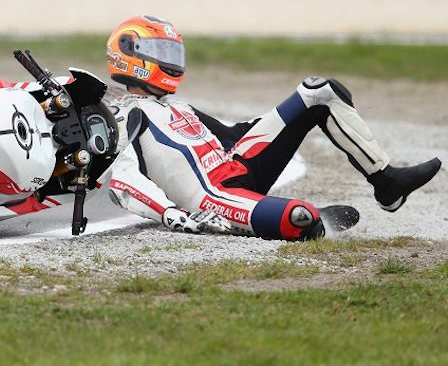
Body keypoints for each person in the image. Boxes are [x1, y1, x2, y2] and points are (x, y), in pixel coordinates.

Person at [104, 15, 442, 240]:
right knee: (300, 217)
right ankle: (311, 221)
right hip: (213, 198)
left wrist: (284, 120)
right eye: (161, 52)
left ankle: (387, 183)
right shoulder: (121, 116)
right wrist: (169, 215)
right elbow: (123, 180)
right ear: (130, 55)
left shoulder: (177, 107)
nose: (171, 61)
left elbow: (232, 135)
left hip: (236, 165)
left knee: (320, 91)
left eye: (172, 52)